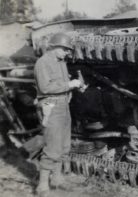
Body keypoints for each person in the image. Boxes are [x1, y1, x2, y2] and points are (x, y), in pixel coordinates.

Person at [34, 32, 83, 197]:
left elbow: (61, 84)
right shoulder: (43, 63)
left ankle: (56, 179)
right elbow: (46, 88)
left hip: (63, 104)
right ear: (54, 47)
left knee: (64, 145)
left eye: (68, 50)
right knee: (52, 146)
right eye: (64, 49)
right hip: (50, 103)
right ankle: (42, 186)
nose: (67, 53)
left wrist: (73, 87)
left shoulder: (60, 62)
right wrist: (69, 84)